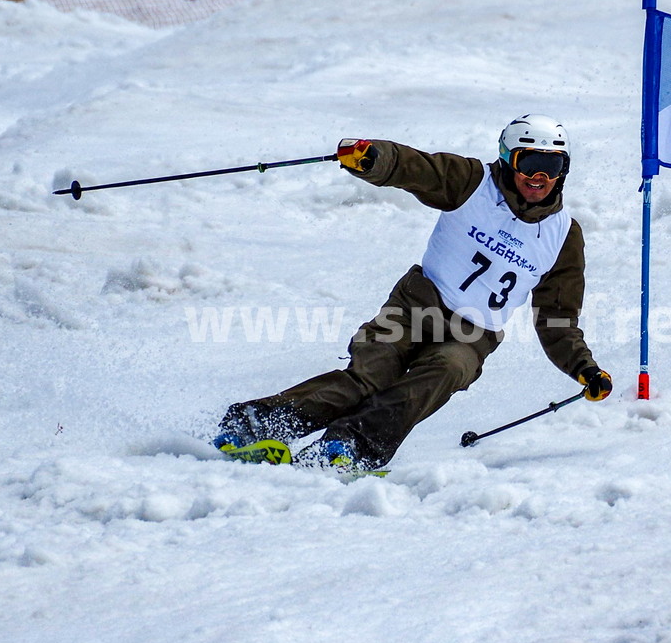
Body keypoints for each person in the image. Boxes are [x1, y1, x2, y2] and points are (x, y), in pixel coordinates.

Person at [213, 114, 612, 471]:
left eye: (552, 165)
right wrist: (374, 158)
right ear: (509, 159)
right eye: (530, 163)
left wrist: (584, 368)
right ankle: (257, 424)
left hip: (472, 336)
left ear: (564, 170)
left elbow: (557, 316)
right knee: (370, 377)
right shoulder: (472, 182)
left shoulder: (564, 236)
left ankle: (350, 445)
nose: (539, 176)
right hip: (415, 306)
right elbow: (415, 167)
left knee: (446, 370)